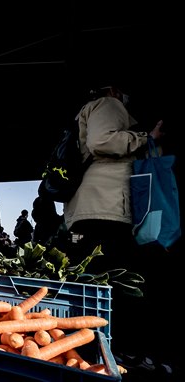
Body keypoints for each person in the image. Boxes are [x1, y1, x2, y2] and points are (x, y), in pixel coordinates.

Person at [63, 85, 165, 370]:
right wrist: (147, 138)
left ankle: (102, 350)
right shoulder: (109, 104)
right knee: (109, 281)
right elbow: (101, 141)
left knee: (100, 280)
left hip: (98, 207)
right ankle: (103, 351)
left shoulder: (94, 108)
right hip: (102, 208)